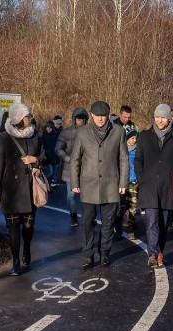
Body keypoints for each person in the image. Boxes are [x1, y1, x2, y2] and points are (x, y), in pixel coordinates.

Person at [71, 100, 129, 268]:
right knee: (88, 222)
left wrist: (123, 181)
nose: (100, 119)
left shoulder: (118, 132)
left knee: (108, 222)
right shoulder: (82, 132)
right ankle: (88, 254)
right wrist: (75, 181)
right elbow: (75, 158)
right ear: (92, 116)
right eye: (97, 116)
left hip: (111, 184)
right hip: (88, 184)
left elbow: (123, 159)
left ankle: (105, 253)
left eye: (104, 116)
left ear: (108, 116)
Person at [0, 103, 45, 276]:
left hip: (30, 188)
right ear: (19, 119)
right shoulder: (4, 138)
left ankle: (27, 248)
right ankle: (15, 261)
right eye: (28, 116)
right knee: (13, 226)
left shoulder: (36, 135)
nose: (31, 118)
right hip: (11, 189)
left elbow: (45, 156)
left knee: (28, 226)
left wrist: (34, 159)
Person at [134, 103, 173, 268]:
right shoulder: (144, 136)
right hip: (149, 186)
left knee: (163, 223)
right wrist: (141, 178)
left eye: (163, 117)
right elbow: (138, 159)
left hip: (167, 186)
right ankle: (152, 253)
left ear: (170, 118)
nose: (159, 120)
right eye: (157, 117)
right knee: (151, 221)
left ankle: (160, 251)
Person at [55, 107, 88, 227]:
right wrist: (68, 159)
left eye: (83, 118)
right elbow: (58, 148)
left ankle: (88, 217)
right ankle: (73, 216)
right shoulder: (66, 132)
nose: (81, 121)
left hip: (86, 168)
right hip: (70, 169)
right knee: (71, 195)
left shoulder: (90, 131)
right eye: (79, 118)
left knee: (87, 195)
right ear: (74, 119)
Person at [116, 129, 140, 240]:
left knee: (133, 206)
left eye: (135, 138)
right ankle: (117, 223)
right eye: (132, 138)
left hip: (134, 182)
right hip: (122, 181)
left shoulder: (138, 150)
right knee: (123, 206)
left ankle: (130, 228)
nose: (134, 141)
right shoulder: (121, 150)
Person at [41, 120, 61, 187]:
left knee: (54, 173)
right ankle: (45, 183)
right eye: (47, 127)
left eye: (50, 128)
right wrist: (43, 155)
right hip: (47, 157)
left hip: (55, 156)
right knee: (50, 172)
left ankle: (48, 185)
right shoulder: (43, 136)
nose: (48, 129)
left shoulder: (55, 136)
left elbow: (58, 146)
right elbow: (42, 147)